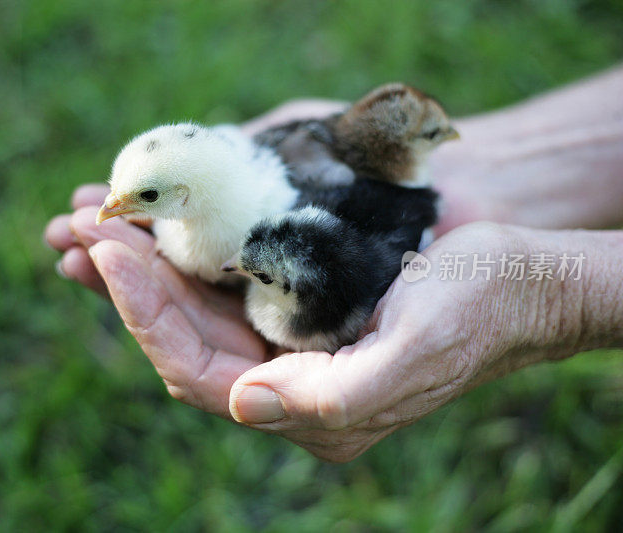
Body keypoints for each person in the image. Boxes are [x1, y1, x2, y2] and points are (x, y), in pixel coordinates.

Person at [44, 67, 623, 462]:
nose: (113, 212)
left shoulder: (289, 215)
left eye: (140, 200)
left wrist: (557, 298)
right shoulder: (231, 193)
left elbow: (375, 229)